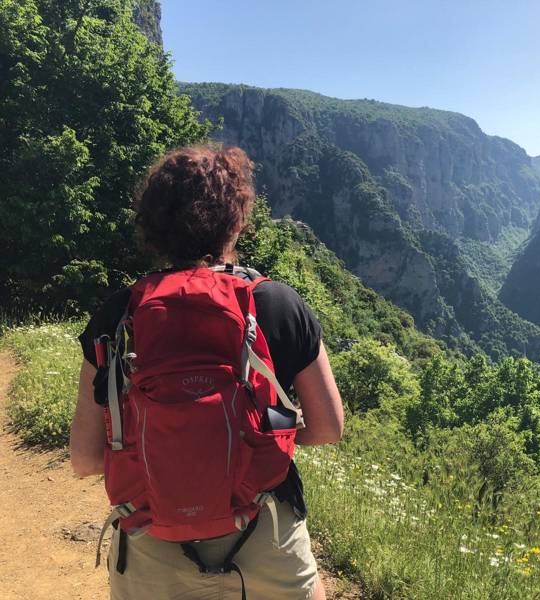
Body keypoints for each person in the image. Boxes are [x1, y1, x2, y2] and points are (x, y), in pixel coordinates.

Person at [69, 144, 344, 600]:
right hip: (265, 534)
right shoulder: (275, 303)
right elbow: (329, 427)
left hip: (151, 542)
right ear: (236, 221)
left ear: (152, 225)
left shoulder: (117, 317)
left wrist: (170, 457)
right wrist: (251, 442)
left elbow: (84, 459)